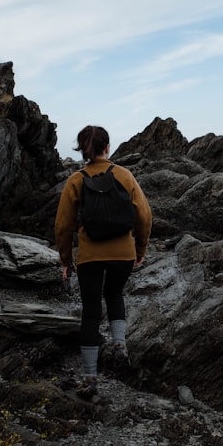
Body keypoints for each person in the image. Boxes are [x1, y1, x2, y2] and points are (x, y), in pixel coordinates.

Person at [54, 125, 152, 398]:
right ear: (107, 147)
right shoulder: (125, 175)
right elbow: (144, 216)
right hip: (124, 254)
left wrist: (65, 259)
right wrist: (140, 248)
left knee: (91, 310)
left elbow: (63, 225)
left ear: (83, 150)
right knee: (115, 293)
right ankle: (119, 345)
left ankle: (89, 379)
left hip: (90, 256)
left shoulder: (76, 179)